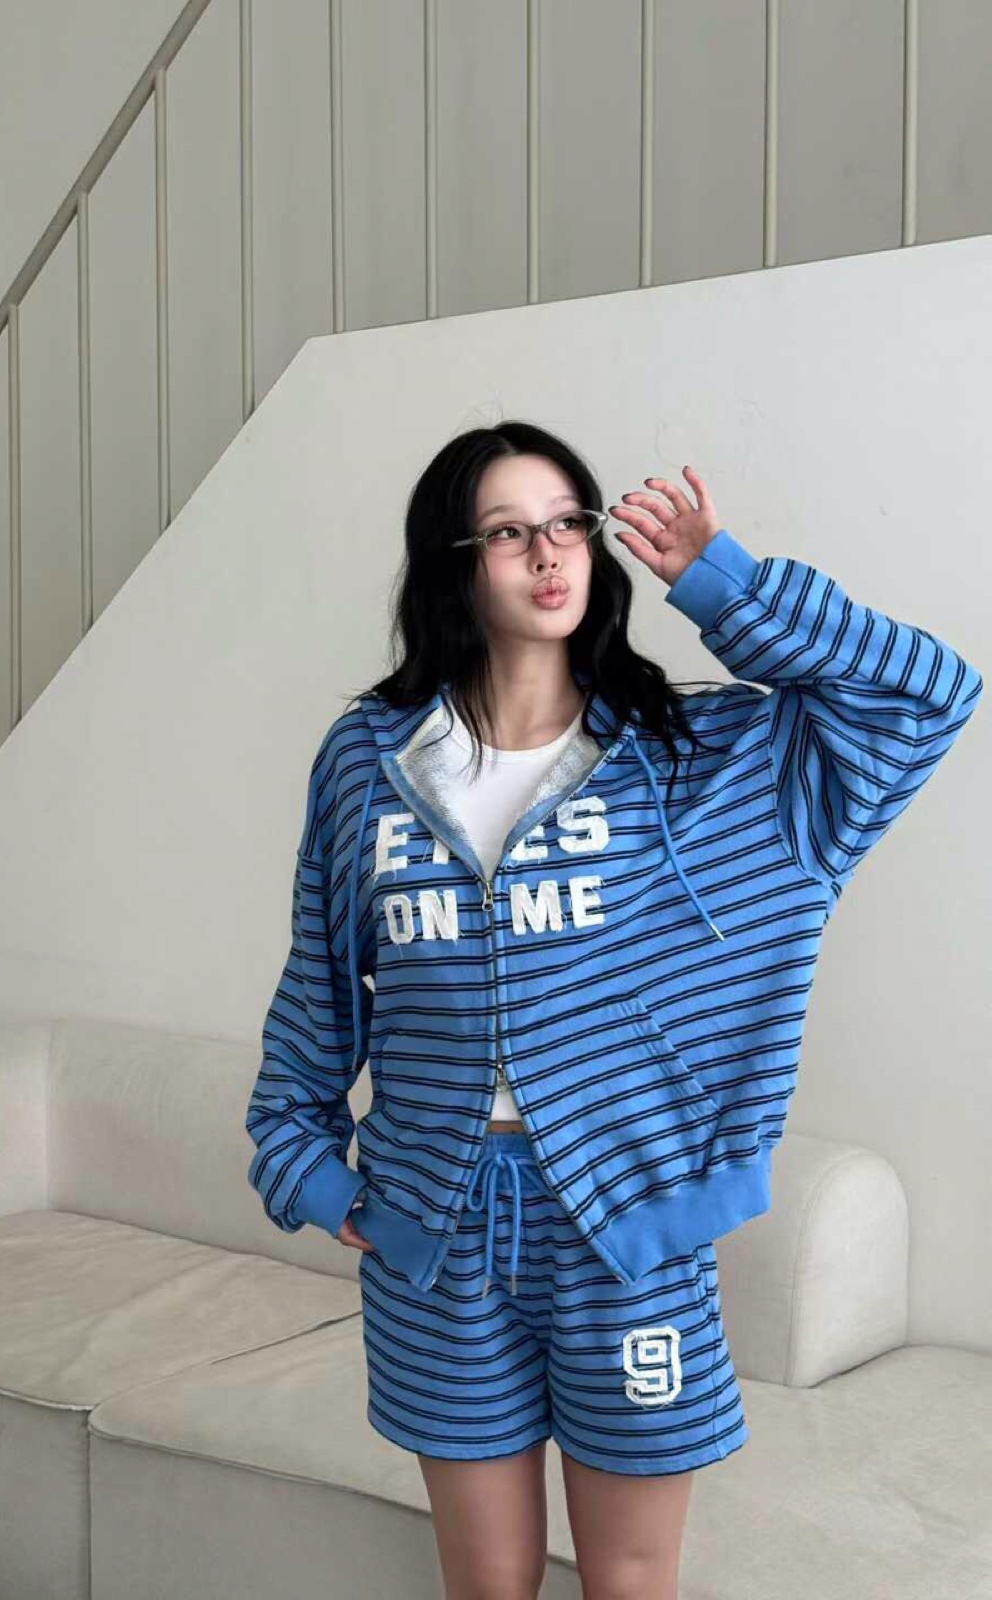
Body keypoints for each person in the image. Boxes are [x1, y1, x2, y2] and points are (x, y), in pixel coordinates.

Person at [244, 420, 983, 1599]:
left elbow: (928, 695)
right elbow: (319, 981)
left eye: (567, 523)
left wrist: (725, 582)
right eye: (508, 532)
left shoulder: (704, 756)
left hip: (628, 1225)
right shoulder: (369, 759)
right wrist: (310, 1171)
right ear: (453, 565)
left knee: (630, 1581)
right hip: (435, 1230)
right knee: (486, 1582)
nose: (548, 552)